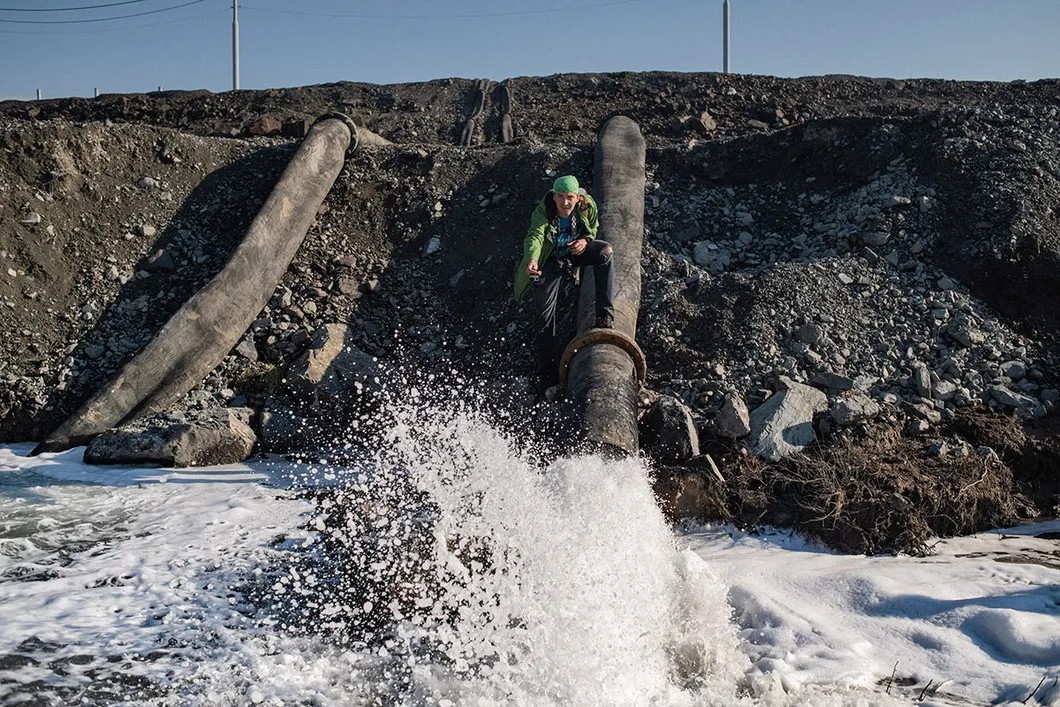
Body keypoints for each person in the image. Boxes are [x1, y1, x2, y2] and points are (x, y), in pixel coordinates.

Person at [513, 175, 614, 389]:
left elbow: (593, 227)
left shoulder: (587, 207)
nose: (564, 203)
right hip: (550, 258)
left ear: (577, 197)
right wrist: (532, 259)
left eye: (569, 197)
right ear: (554, 195)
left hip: (573, 252)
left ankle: (604, 314)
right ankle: (547, 372)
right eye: (560, 197)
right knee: (544, 315)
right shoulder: (545, 210)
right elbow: (535, 235)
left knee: (605, 252)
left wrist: (585, 241)